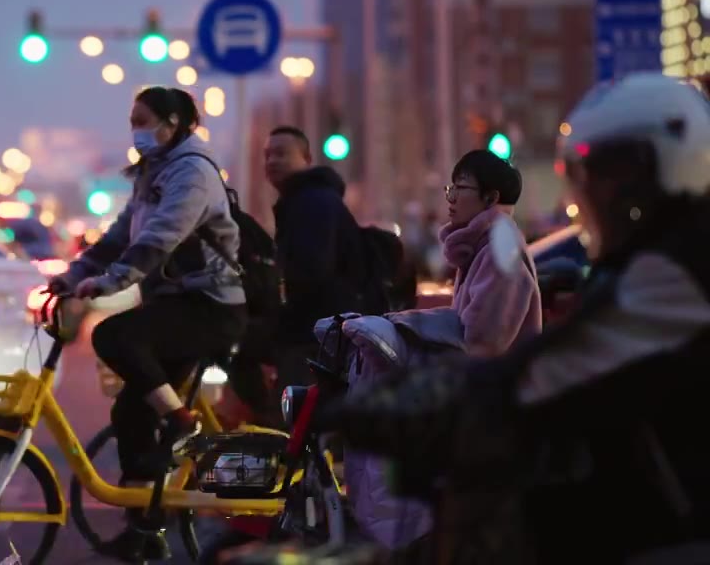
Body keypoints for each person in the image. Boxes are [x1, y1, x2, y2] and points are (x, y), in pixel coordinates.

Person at [313, 73, 710, 563]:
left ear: (666, 167)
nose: (596, 196)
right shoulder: (650, 256)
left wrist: (418, 400)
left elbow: (547, 370)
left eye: (611, 175)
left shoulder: (680, 269)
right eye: (587, 177)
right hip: (648, 488)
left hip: (677, 516)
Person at [49, 86, 247, 562]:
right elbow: (119, 235)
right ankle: (145, 531)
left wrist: (112, 283)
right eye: (131, 121)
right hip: (176, 307)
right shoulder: (152, 174)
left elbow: (161, 237)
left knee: (114, 334)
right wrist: (71, 275)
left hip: (210, 306)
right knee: (131, 414)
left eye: (142, 119)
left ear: (173, 122)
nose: (135, 130)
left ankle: (182, 420)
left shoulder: (192, 173)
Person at [264, 126, 370, 384]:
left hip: (316, 335)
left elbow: (310, 272)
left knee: (299, 414)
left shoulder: (313, 202)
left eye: (281, 153)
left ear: (307, 159)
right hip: (316, 331)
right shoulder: (299, 201)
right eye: (267, 155)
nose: (272, 161)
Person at [441, 149, 542, 356]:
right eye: (451, 188)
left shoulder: (500, 254)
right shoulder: (480, 247)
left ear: (490, 198)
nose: (451, 198)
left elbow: (481, 344)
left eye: (460, 188)